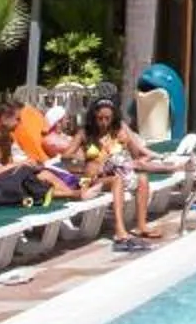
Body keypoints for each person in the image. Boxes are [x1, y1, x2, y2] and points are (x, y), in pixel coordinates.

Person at [70, 95, 174, 250]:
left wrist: (126, 143)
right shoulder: (84, 133)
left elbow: (135, 155)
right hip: (94, 178)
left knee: (142, 178)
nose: (104, 122)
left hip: (117, 174)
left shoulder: (118, 131)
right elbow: (65, 156)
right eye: (100, 118)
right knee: (117, 180)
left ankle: (141, 226)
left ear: (113, 117)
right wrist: (83, 158)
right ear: (93, 117)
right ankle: (119, 229)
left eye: (107, 118)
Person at [0, 95, 61, 208]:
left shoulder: (6, 139)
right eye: (18, 119)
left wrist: (29, 166)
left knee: (43, 174)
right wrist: (18, 165)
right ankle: (71, 194)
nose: (20, 123)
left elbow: (11, 171)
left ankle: (74, 194)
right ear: (4, 118)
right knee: (32, 185)